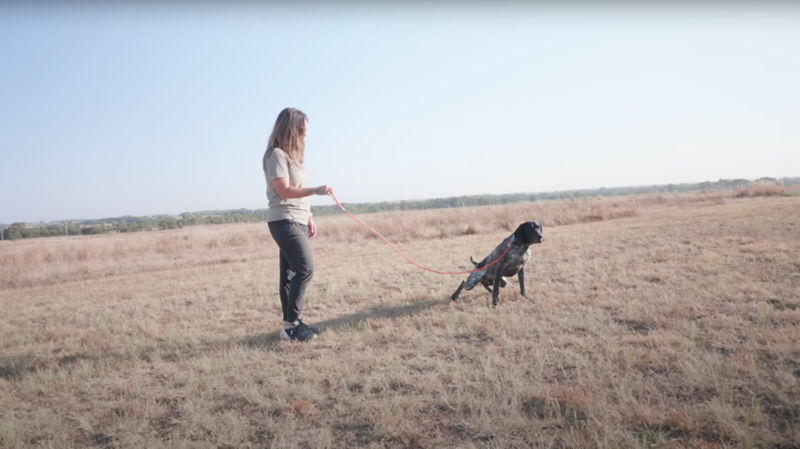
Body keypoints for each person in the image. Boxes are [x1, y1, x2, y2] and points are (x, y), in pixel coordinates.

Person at [262, 107, 332, 342]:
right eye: (302, 130)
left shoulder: (293, 159)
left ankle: (290, 325)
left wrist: (309, 216)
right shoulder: (276, 156)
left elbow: (298, 193)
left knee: (290, 274)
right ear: (292, 129)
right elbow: (284, 190)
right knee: (305, 269)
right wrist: (317, 190)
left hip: (298, 219)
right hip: (284, 220)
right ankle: (291, 325)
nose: (305, 135)